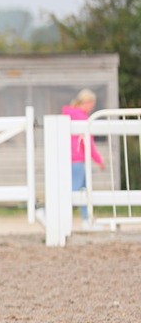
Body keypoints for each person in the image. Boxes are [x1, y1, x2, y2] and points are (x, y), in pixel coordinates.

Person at [62, 89, 104, 228]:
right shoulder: (82, 118)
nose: (92, 106)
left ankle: (87, 220)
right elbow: (88, 143)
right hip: (77, 158)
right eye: (92, 103)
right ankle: (48, 212)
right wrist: (98, 159)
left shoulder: (70, 115)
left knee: (85, 189)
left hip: (72, 157)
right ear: (87, 102)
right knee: (74, 190)